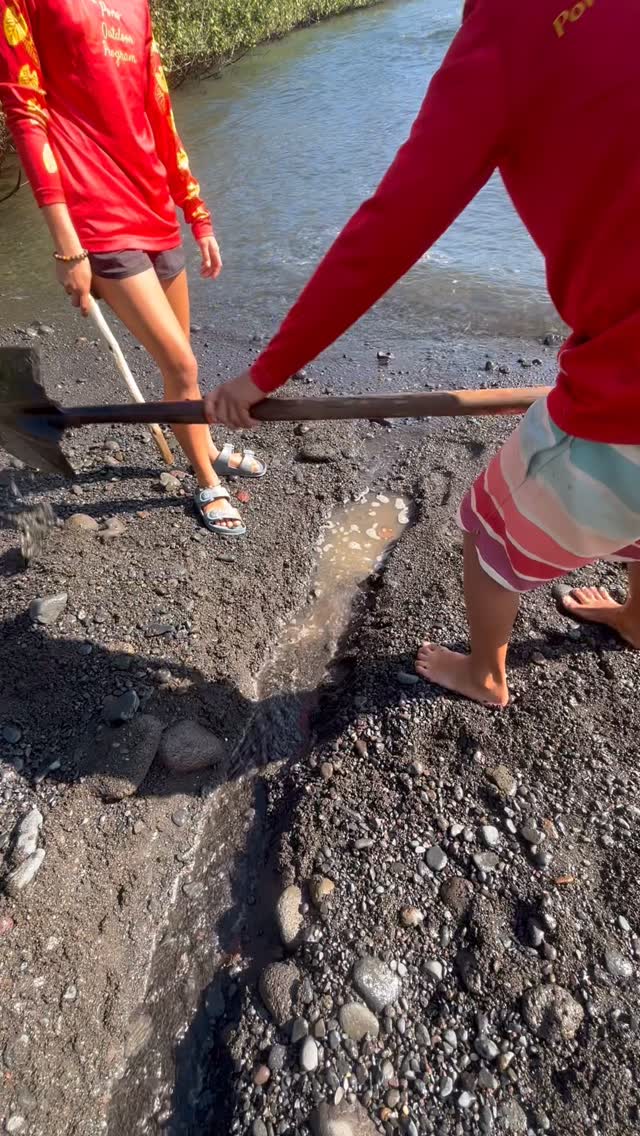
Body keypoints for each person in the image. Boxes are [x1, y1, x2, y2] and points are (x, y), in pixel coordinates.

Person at [205, 0, 640, 703]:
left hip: (628, 380)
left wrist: (264, 373)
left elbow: (390, 230)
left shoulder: (506, 30)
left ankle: (486, 673)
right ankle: (639, 618)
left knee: (487, 526)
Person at [0, 0, 265, 538]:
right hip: (97, 218)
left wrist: (197, 213)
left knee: (180, 358)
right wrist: (66, 245)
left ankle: (204, 443)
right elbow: (26, 111)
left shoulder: (136, 6)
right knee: (184, 365)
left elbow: (159, 110)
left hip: (154, 208)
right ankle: (206, 477)